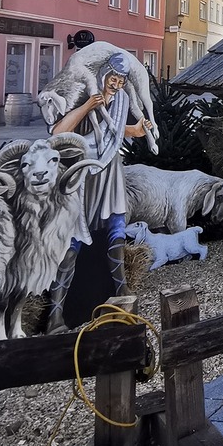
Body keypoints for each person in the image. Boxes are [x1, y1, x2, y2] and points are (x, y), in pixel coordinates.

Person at [46, 52, 154, 329]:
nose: (116, 85)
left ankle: (121, 295)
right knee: (73, 238)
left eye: (121, 81)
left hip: (110, 171)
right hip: (82, 171)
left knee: (115, 230)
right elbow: (59, 132)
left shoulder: (122, 100)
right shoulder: (84, 96)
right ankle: (56, 315)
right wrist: (87, 107)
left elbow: (115, 131)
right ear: (103, 75)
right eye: (112, 79)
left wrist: (137, 131)